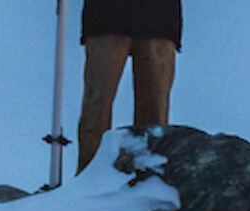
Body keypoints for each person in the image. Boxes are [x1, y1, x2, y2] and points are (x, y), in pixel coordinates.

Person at [77, 0, 183, 173]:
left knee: (154, 114)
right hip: (106, 17)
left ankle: (148, 179)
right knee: (97, 106)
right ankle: (90, 177)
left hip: (159, 19)